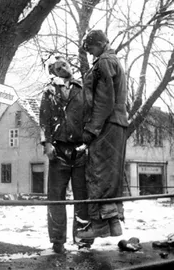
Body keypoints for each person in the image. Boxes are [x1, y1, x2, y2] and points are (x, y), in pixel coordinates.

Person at [76, 30, 128, 239]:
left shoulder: (104, 62)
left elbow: (104, 100)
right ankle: (113, 224)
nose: (90, 54)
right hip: (117, 123)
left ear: (98, 44)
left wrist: (91, 129)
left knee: (98, 172)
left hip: (106, 124)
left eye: (90, 49)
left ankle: (98, 225)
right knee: (110, 175)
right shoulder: (113, 61)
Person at [39, 56, 93, 254]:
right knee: (56, 197)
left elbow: (92, 115)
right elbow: (44, 119)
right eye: (57, 68)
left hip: (80, 150)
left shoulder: (83, 88)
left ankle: (84, 239)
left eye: (64, 64)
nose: (63, 68)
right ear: (53, 73)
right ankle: (57, 241)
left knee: (82, 196)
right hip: (59, 151)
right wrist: (47, 144)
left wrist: (88, 141)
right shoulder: (49, 92)